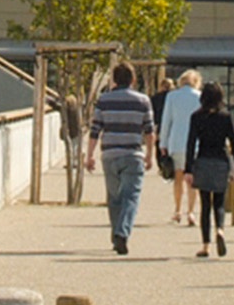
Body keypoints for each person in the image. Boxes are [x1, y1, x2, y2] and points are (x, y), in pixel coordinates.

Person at [84, 62, 157, 255]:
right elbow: (149, 131)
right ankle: (122, 232)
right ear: (133, 79)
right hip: (133, 154)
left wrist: (89, 155)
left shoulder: (103, 100)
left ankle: (116, 232)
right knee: (131, 196)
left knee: (114, 197)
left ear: (114, 79)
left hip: (109, 154)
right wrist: (149, 155)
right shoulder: (143, 100)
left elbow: (95, 130)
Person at [183, 81, 234, 257]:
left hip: (203, 161)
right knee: (219, 202)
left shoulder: (196, 117)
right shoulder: (226, 116)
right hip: (220, 162)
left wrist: (188, 169)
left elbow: (190, 144)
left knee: (205, 205)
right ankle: (220, 230)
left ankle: (206, 245)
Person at [158, 69, 203, 224]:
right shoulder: (199, 96)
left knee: (178, 176)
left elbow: (166, 121)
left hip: (176, 141)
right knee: (191, 178)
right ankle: (190, 212)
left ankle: (177, 210)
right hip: (194, 143)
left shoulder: (172, 96)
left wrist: (163, 143)